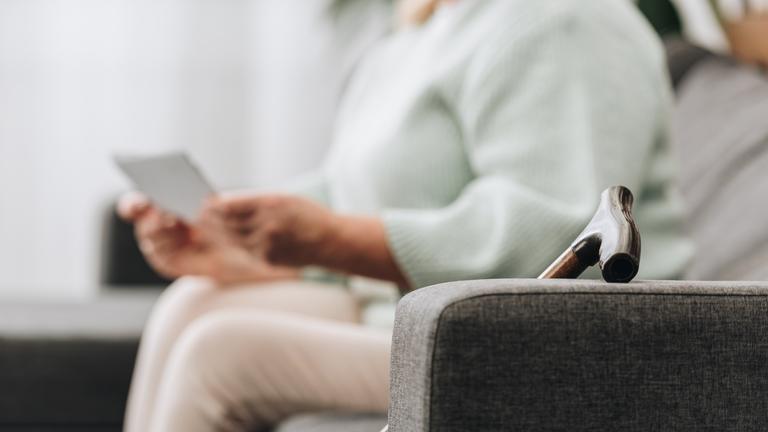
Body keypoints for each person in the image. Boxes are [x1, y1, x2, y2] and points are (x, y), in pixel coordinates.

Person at [120, 0, 693, 430]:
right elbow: (352, 192)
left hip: (556, 344)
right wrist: (233, 247)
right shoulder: (421, 31)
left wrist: (332, 239)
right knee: (192, 303)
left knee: (220, 354)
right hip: (418, 315)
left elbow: (547, 236)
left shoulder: (565, 20)